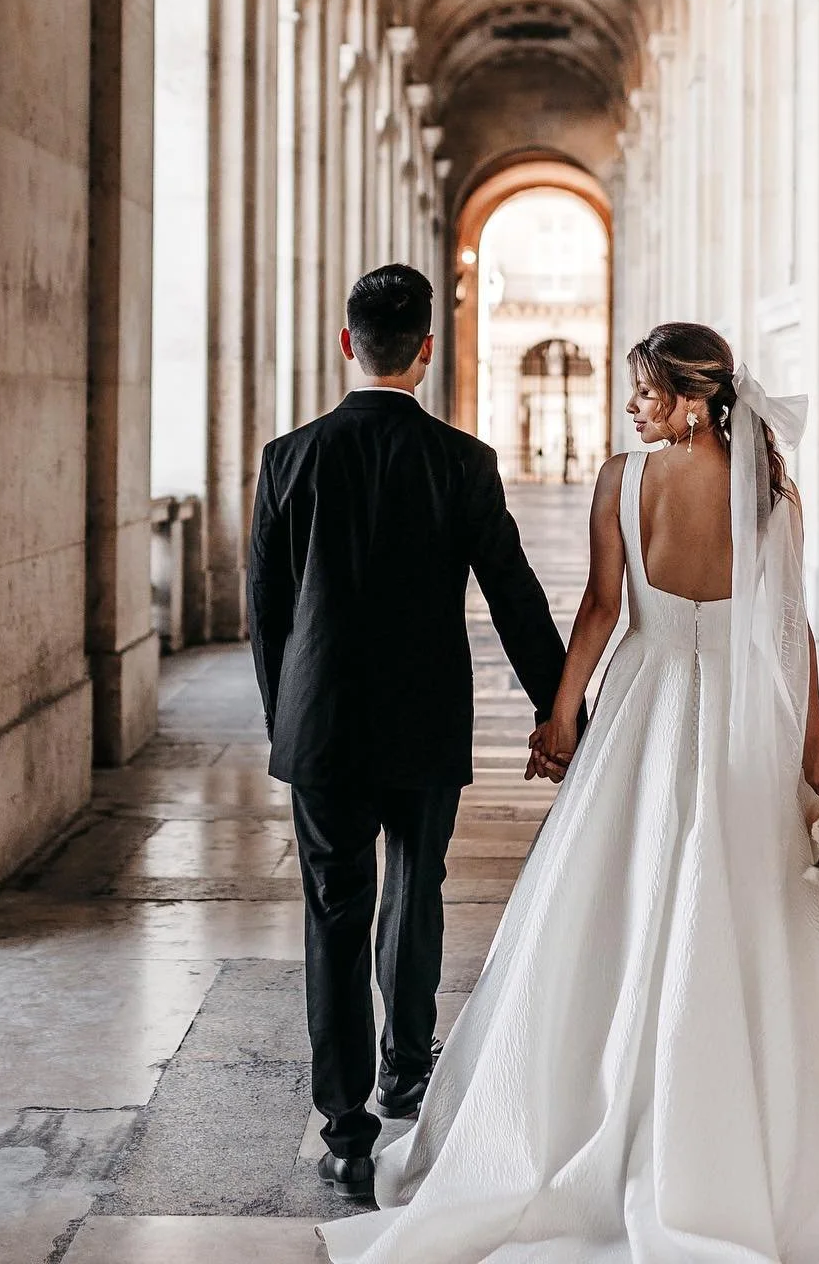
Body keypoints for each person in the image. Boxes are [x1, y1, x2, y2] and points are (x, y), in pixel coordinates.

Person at [319, 322, 819, 1263]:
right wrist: (814, 743)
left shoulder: (624, 481)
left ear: (694, 401)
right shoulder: (772, 493)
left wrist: (562, 714)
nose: (632, 406)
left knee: (615, 894)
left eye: (647, 391)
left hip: (646, 700)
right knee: (736, 901)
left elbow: (601, 609)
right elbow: (791, 627)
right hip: (747, 719)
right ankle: (743, 1116)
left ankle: (608, 1101)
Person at [247, 264, 570, 1201]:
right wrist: (560, 711)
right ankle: (405, 1073)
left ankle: (346, 1133)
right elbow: (514, 595)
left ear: (347, 344)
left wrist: (284, 719)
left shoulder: (288, 457)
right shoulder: (462, 461)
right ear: (428, 350)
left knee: (334, 912)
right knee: (415, 893)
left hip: (322, 725)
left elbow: (266, 612)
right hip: (427, 718)